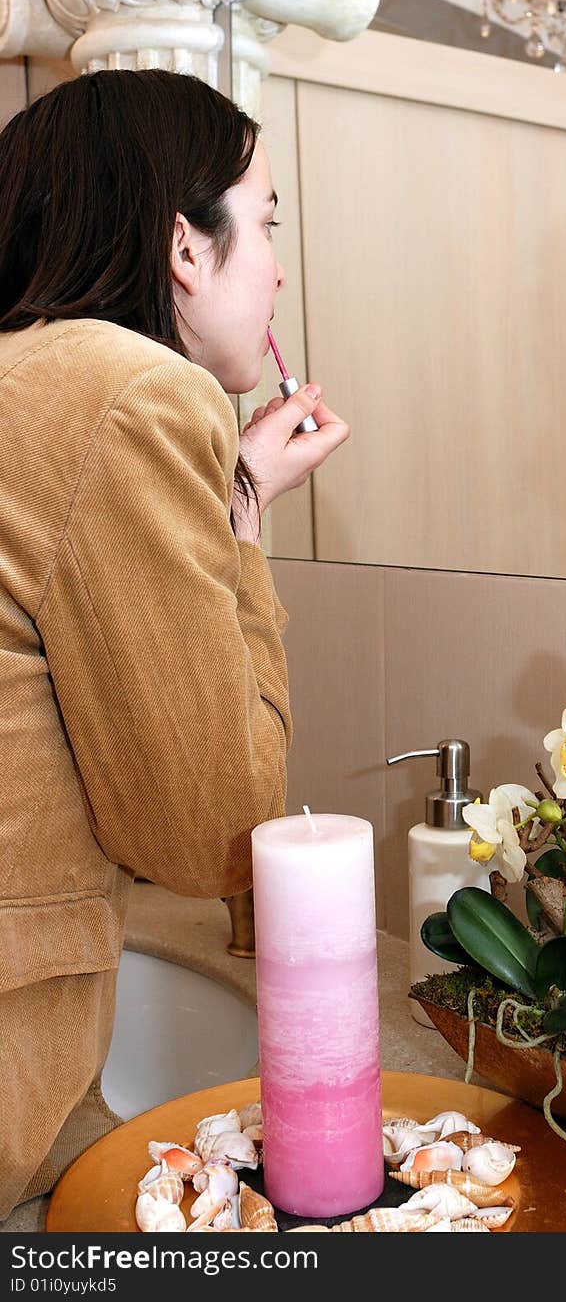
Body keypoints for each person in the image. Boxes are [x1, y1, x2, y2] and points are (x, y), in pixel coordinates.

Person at [0, 69, 349, 1220]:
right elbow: (210, 822)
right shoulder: (133, 386)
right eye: (265, 222)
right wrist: (240, 527)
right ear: (183, 249)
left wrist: (231, 485)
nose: (279, 267)